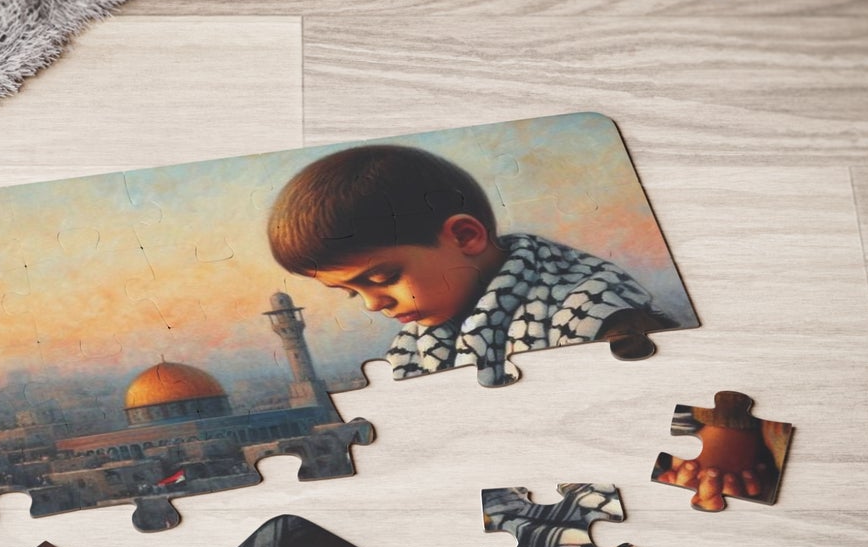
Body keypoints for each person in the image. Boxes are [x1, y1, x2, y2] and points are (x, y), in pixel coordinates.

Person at [266, 143, 673, 386]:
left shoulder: (594, 312)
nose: (373, 305)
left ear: (464, 236)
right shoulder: (413, 347)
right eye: (351, 292)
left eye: (382, 278)